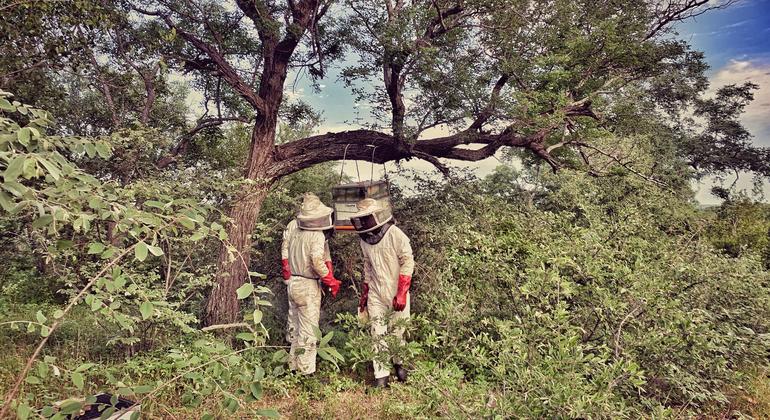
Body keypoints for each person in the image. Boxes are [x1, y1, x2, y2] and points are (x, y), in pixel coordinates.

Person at [351, 198, 414, 388]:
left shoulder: (396, 234)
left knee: (398, 330)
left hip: (396, 289)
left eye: (367, 218)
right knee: (377, 332)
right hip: (376, 293)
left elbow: (408, 261)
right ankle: (382, 377)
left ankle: (400, 366)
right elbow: (368, 267)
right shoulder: (365, 241)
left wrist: (402, 292)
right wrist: (364, 295)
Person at [280, 193, 341, 375]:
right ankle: (306, 373)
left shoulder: (292, 226)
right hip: (307, 285)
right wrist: (329, 279)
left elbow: (284, 252)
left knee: (295, 328)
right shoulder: (317, 235)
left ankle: (292, 368)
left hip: (293, 282)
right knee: (308, 330)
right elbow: (316, 260)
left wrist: (287, 275)